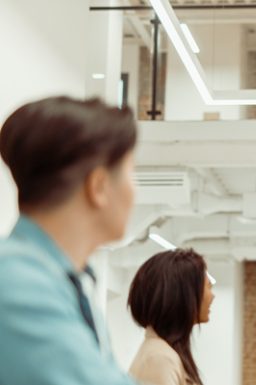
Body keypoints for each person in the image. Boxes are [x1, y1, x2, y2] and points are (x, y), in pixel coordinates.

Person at [0, 96, 139, 384]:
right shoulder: (18, 285)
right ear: (98, 187)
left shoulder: (67, 283)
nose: (135, 190)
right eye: (131, 171)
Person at [128, 248, 216, 385]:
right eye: (208, 286)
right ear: (184, 295)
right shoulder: (161, 359)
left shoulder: (164, 353)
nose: (212, 296)